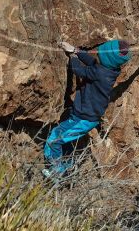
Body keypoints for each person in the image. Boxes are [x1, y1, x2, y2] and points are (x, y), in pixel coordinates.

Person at [42, 39, 131, 179]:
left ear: (108, 58)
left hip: (83, 118)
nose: (98, 54)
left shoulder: (100, 73)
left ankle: (56, 172)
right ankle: (68, 165)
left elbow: (78, 70)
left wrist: (72, 56)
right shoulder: (111, 70)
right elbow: (91, 62)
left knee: (55, 139)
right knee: (65, 140)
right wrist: (76, 50)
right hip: (84, 117)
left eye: (102, 53)